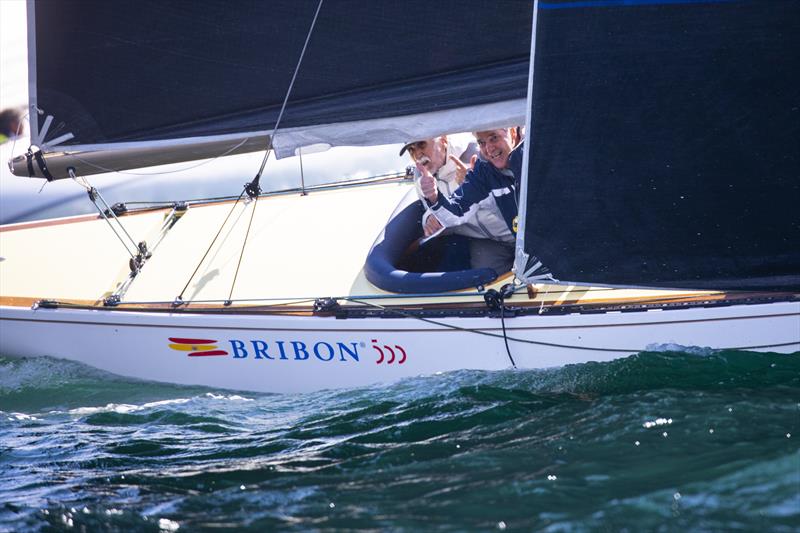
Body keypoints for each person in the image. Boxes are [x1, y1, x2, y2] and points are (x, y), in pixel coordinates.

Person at [417, 127, 523, 273]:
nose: (489, 148)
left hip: (534, 238)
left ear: (512, 133)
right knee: (486, 279)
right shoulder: (482, 170)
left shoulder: (537, 151)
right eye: (481, 143)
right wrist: (434, 197)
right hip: (490, 242)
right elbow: (455, 214)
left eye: (494, 138)